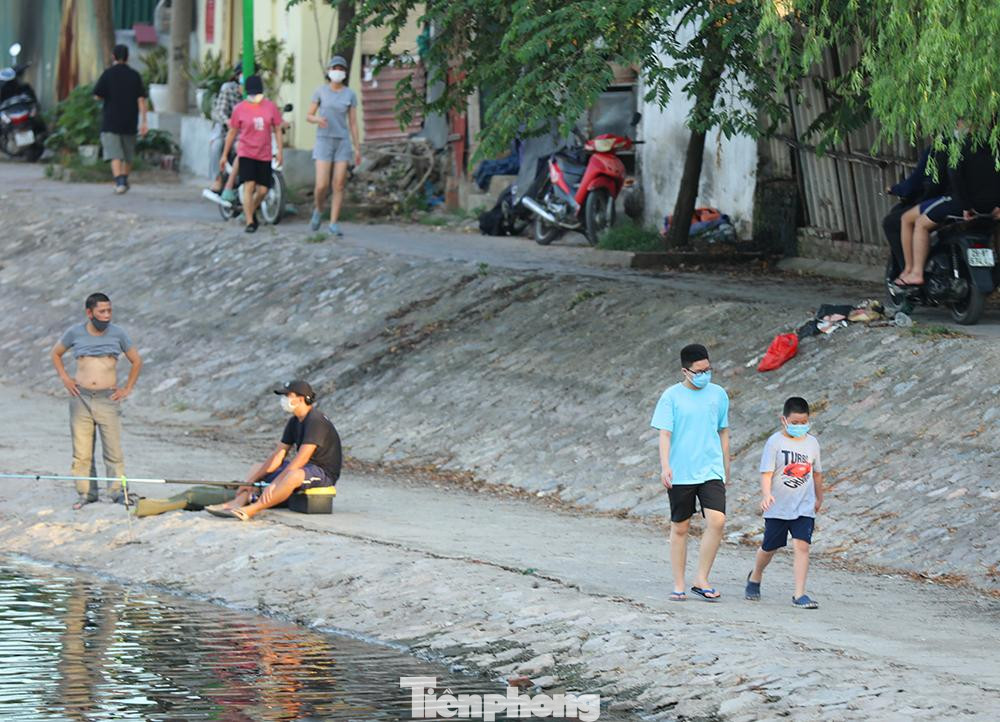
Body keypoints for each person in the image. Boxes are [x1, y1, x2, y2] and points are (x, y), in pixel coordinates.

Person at [650, 344, 730, 602]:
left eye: (708, 369)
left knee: (717, 521)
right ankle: (679, 583)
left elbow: (723, 430)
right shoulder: (671, 396)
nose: (705, 374)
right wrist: (665, 466)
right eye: (699, 371)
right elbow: (664, 433)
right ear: (685, 371)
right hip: (681, 471)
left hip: (711, 469)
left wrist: (725, 466)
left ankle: (701, 578)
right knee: (681, 527)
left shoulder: (718, 394)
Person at [50, 293, 143, 509]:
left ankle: (118, 492)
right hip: (80, 398)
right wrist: (65, 379)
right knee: (81, 452)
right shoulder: (75, 332)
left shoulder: (118, 333)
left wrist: (127, 389)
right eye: (102, 311)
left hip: (107, 399)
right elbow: (56, 354)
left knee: (113, 451)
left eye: (109, 311)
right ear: (89, 313)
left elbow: (136, 361)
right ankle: (86, 493)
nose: (107, 315)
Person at [206, 380, 341, 521]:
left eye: (288, 395)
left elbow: (302, 458)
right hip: (306, 467)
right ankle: (237, 502)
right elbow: (278, 454)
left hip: (323, 472)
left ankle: (252, 509)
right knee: (258, 468)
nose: (284, 399)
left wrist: (276, 483)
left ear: (301, 399)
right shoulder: (294, 421)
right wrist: (250, 482)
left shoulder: (315, 421)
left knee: (292, 476)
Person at [745, 397, 824, 609]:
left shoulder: (812, 443)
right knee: (770, 547)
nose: (800, 427)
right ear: (784, 420)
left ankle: (799, 594)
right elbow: (766, 473)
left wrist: (819, 497)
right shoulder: (775, 442)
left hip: (804, 506)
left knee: (802, 546)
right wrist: (766, 494)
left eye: (803, 423)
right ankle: (756, 575)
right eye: (795, 423)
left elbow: (817, 474)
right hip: (778, 507)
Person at [220, 74, 283, 233]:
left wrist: (280, 151)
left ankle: (250, 209)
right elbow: (232, 133)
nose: (256, 97)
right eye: (252, 94)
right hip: (246, 152)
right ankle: (250, 222)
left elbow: (277, 129)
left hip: (265, 153)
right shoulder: (239, 109)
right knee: (249, 185)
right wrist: (224, 154)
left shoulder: (270, 107)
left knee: (263, 190)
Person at [306, 55, 361, 236]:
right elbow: (309, 115)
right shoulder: (320, 92)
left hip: (342, 142)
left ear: (345, 73)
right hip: (324, 140)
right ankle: (319, 209)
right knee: (321, 185)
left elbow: (353, 123)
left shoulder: (350, 94)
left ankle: (334, 222)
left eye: (341, 69)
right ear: (329, 71)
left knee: (338, 184)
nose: (337, 72)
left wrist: (357, 147)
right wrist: (317, 119)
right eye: (334, 68)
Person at [93, 44, 148, 194]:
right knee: (128, 153)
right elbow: (142, 100)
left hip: (111, 119)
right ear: (128, 57)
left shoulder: (108, 74)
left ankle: (119, 182)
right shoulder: (135, 75)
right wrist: (144, 122)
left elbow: (97, 95)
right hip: (130, 120)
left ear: (113, 57)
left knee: (114, 153)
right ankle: (124, 179)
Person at [208, 62, 249, 201]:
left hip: (246, 131)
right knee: (217, 145)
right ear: (238, 76)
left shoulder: (256, 90)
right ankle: (217, 178)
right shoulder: (228, 89)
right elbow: (220, 111)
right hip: (226, 128)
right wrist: (228, 121)